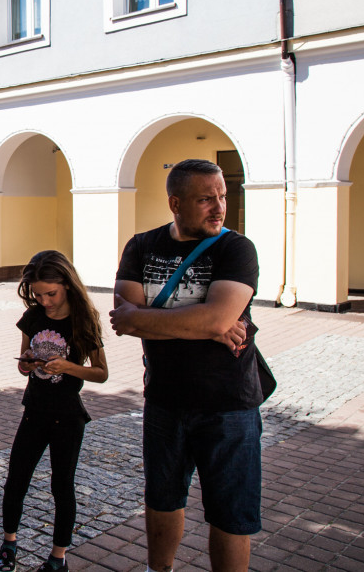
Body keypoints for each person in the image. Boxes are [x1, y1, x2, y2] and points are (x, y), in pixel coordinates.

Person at [109, 158, 262, 572]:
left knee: (231, 513)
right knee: (161, 499)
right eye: (205, 199)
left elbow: (210, 318)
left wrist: (210, 322)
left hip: (229, 405)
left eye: (222, 197)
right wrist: (209, 325)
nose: (219, 207)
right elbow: (123, 319)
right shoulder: (142, 246)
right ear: (176, 203)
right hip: (164, 400)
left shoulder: (236, 249)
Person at [0, 250, 109, 572]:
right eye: (38, 294)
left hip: (68, 416)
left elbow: (101, 373)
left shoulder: (83, 320)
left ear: (67, 285)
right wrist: (28, 363)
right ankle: (9, 543)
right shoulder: (33, 317)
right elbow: (24, 366)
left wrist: (70, 367)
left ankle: (58, 558)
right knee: (16, 479)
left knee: (62, 486)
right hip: (34, 409)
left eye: (51, 294)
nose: (45, 301)